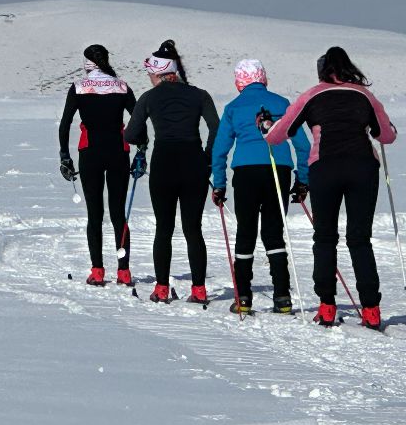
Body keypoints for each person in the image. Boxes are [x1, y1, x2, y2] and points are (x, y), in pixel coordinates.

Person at [263, 46, 396, 329]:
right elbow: (386, 135)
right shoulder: (364, 95)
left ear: (322, 71)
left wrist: (264, 126)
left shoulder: (312, 95)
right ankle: (371, 309)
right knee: (360, 239)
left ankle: (326, 307)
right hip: (363, 167)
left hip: (325, 168)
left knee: (325, 238)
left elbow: (277, 135)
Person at [210, 59, 311, 315]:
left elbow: (220, 150)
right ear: (263, 78)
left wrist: (219, 184)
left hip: (245, 171)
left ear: (239, 81)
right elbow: (303, 145)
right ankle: (282, 297)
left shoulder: (233, 107)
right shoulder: (281, 104)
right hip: (279, 170)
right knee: (274, 233)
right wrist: (303, 180)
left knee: (246, 232)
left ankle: (243, 296)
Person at [124, 40, 220, 303]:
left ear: (158, 73)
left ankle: (161, 288)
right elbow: (216, 129)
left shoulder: (149, 97)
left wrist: (143, 136)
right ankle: (199, 290)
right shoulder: (200, 95)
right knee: (193, 229)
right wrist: (208, 159)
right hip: (194, 163)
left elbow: (131, 134)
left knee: (163, 229)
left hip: (164, 164)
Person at [58, 44, 137, 287]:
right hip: (118, 152)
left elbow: (65, 124)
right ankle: (123, 272)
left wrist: (65, 156)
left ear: (87, 63)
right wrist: (140, 149)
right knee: (118, 214)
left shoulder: (79, 87)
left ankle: (98, 271)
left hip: (90, 153)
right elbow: (138, 120)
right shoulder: (122, 86)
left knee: (95, 214)